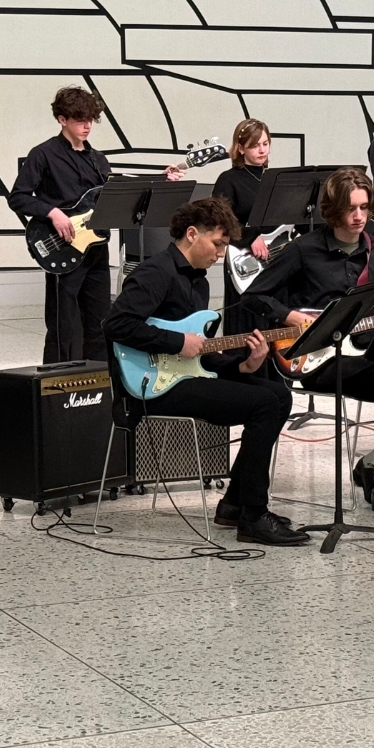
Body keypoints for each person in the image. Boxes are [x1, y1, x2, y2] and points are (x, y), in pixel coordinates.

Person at [243, 167, 374, 514]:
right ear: (333, 210)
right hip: (314, 360)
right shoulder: (304, 249)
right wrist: (291, 316)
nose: (359, 216)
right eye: (351, 209)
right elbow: (254, 296)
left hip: (362, 349)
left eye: (364, 208)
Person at [103, 196, 307, 546]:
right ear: (192, 234)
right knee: (263, 404)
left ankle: (234, 504)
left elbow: (202, 352)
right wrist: (175, 341)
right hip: (152, 386)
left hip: (185, 375)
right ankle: (254, 516)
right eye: (218, 244)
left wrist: (244, 364)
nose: (221, 254)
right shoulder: (156, 272)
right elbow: (116, 324)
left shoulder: (199, 282)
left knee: (278, 394)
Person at [8, 86, 183, 363]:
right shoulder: (42, 155)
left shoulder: (98, 160)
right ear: (62, 119)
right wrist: (52, 212)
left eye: (90, 119)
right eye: (80, 120)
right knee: (62, 325)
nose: (87, 126)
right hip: (62, 247)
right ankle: (57, 378)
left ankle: (99, 377)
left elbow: (116, 196)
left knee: (100, 322)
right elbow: (17, 197)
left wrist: (160, 179)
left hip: (96, 250)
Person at [212, 118, 272, 336]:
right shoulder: (228, 179)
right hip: (243, 256)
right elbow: (220, 221)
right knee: (247, 320)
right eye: (255, 145)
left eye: (265, 144)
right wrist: (250, 236)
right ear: (240, 148)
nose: (262, 150)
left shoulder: (274, 178)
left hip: (274, 256)